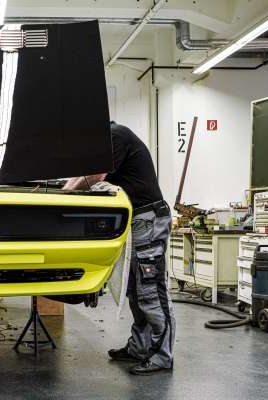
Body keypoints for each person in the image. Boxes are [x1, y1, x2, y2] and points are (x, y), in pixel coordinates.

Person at [63, 121, 175, 376]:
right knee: (135, 289)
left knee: (151, 289)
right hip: (135, 221)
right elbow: (80, 174)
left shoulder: (114, 136)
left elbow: (94, 176)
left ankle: (162, 355)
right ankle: (140, 346)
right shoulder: (104, 141)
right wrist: (65, 189)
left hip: (148, 220)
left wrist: (64, 194)